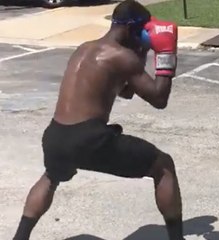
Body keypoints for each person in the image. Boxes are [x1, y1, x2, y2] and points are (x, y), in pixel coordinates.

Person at [12, 1, 184, 239]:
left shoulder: (85, 48)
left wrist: (141, 53)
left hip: (55, 136)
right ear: (131, 30)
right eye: (143, 32)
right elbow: (159, 98)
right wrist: (166, 54)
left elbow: (126, 91)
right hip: (89, 138)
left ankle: (19, 237)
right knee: (164, 166)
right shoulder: (121, 56)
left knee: (51, 177)